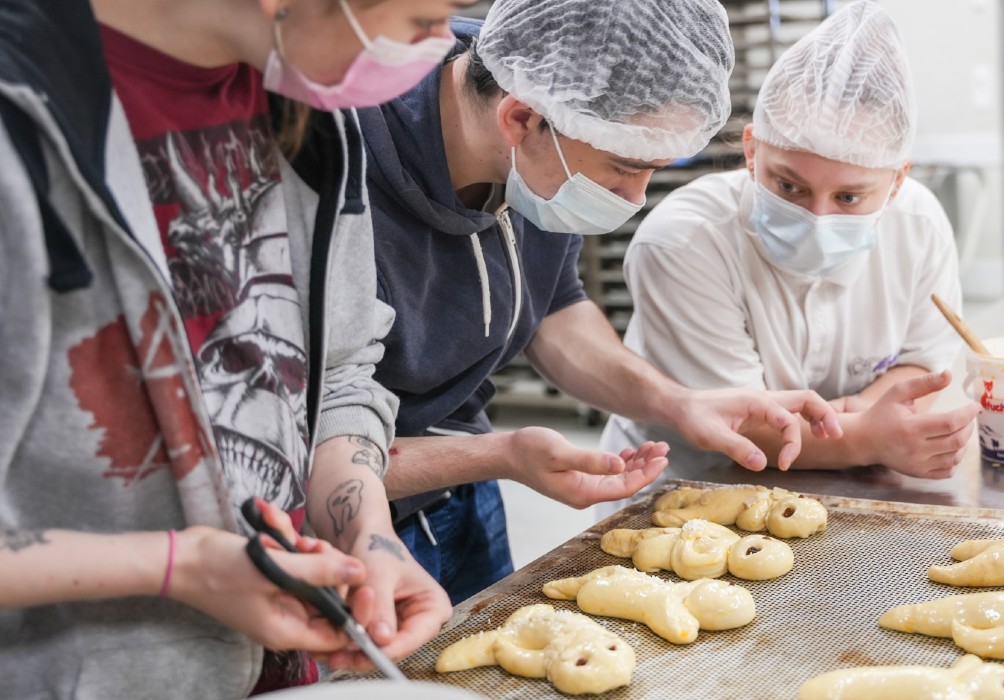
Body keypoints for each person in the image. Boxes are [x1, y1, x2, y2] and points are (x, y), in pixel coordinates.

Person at [0, 0, 459, 696]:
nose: (442, 43)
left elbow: (336, 373)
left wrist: (367, 532)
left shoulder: (314, 121)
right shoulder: (21, 124)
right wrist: (177, 567)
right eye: (426, 17)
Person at [358, 0, 844, 605]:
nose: (633, 199)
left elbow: (555, 310)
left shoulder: (555, 115)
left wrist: (678, 402)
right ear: (520, 119)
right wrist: (500, 453)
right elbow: (308, 442)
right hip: (338, 518)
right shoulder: (347, 182)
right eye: (622, 168)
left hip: (464, 491)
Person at [601, 1, 981, 479]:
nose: (816, 218)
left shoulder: (919, 225)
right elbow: (739, 427)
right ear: (751, 150)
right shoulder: (684, 243)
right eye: (789, 186)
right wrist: (868, 434)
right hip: (691, 492)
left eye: (848, 197)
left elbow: (922, 370)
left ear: (897, 181)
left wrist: (856, 416)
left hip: (853, 488)